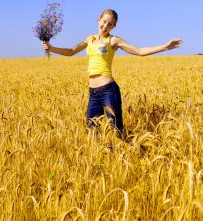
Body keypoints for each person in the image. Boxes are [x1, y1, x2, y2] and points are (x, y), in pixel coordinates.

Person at [42, 9, 182, 137]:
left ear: (113, 27)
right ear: (99, 19)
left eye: (110, 24)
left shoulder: (113, 40)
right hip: (93, 93)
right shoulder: (89, 39)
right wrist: (51, 48)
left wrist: (165, 46)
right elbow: (71, 51)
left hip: (109, 91)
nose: (105, 26)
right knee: (91, 132)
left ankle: (127, 157)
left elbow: (139, 51)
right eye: (104, 22)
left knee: (116, 131)